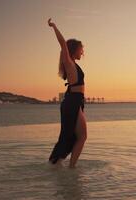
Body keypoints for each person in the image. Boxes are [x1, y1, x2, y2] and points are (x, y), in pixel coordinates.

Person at [47, 18, 87, 168]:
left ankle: (65, 165)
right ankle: (70, 167)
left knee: (78, 136)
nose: (83, 52)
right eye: (81, 49)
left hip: (76, 100)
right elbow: (63, 44)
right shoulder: (69, 63)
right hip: (72, 101)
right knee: (80, 136)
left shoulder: (73, 64)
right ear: (74, 49)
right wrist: (54, 27)